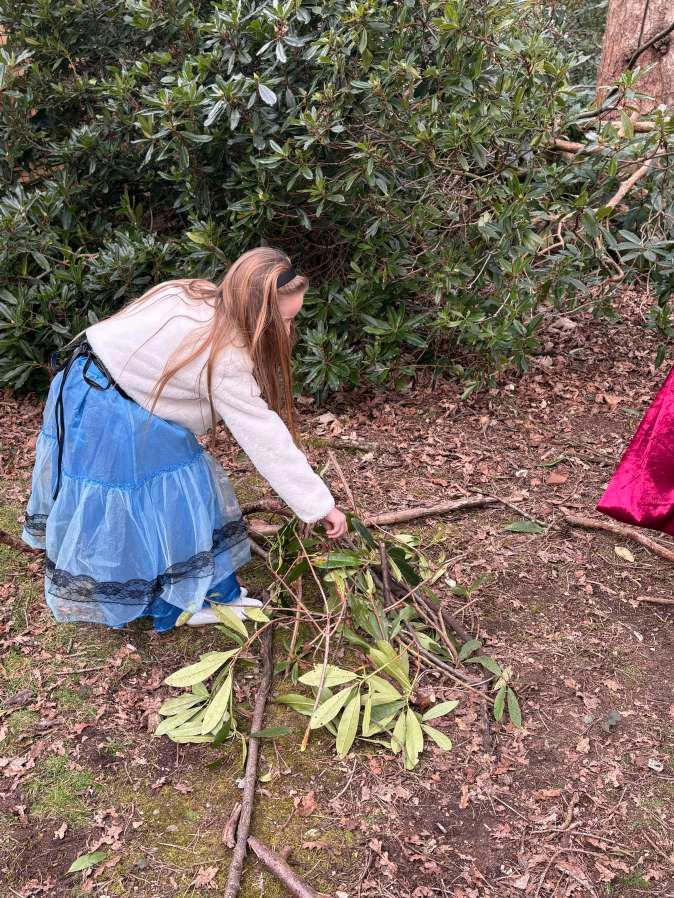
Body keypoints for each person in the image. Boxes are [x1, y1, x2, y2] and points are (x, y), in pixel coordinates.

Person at [21, 247, 347, 632]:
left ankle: (203, 593)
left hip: (84, 383)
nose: (288, 331)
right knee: (175, 494)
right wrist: (320, 504)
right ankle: (180, 603)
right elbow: (265, 437)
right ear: (257, 313)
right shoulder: (225, 354)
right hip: (107, 406)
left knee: (171, 490)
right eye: (284, 320)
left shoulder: (194, 293)